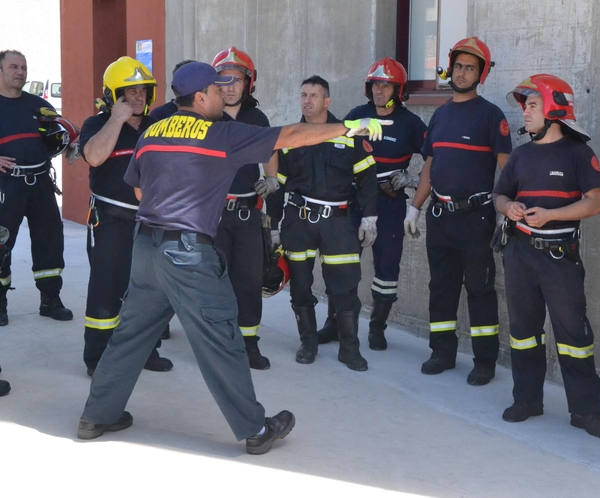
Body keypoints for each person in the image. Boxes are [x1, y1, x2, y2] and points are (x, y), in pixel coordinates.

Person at [77, 62, 389, 453]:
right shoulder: (219, 133)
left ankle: (96, 415)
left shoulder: (152, 130)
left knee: (128, 335)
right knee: (222, 338)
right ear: (199, 96)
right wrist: (348, 128)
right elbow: (290, 135)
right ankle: (256, 430)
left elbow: (140, 193)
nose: (225, 94)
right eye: (217, 88)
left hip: (146, 247)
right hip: (188, 253)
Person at [494, 74, 600, 439]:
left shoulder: (579, 152)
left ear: (554, 109)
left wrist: (551, 215)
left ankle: (586, 412)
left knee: (574, 336)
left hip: (559, 258)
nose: (524, 113)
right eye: (524, 106)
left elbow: (596, 203)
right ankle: (527, 400)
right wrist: (509, 206)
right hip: (519, 254)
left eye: (532, 106)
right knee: (524, 333)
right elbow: (499, 196)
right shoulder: (520, 154)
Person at [404, 37, 512, 385]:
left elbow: (507, 171)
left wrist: (507, 212)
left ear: (481, 74)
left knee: (480, 290)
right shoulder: (440, 114)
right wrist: (414, 208)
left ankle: (484, 361)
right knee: (441, 287)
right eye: (459, 66)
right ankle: (442, 352)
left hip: (476, 218)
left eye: (470, 68)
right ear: (450, 68)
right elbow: (429, 167)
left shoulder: (492, 116)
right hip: (440, 216)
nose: (462, 73)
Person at [315, 57, 426, 351]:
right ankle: (334, 323)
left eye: (386, 86)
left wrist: (412, 178)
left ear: (398, 90)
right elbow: (333, 147)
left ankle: (377, 328)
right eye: (376, 85)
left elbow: (435, 160)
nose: (379, 91)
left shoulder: (411, 123)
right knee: (341, 265)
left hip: (389, 203)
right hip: (353, 202)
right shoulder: (357, 115)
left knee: (387, 269)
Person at [276, 75, 378, 371]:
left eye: (314, 96)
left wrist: (370, 217)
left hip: (339, 222)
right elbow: (277, 182)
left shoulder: (349, 133)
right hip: (298, 220)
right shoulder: (290, 136)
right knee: (301, 286)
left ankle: (350, 349)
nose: (307, 101)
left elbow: (368, 177)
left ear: (327, 101)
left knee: (345, 287)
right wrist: (271, 226)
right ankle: (308, 343)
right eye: (303, 95)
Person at [79, 56, 172, 377]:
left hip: (149, 222)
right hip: (110, 220)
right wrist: (116, 120)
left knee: (147, 290)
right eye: (130, 92)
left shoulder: (155, 128)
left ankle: (145, 350)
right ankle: (98, 356)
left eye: (143, 92)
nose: (138, 98)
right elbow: (92, 156)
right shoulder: (97, 125)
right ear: (113, 95)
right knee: (107, 288)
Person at [0, 50, 74, 326]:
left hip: (41, 182)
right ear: (1, 71)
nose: (20, 72)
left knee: (50, 242)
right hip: (6, 185)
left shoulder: (37, 104)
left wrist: (69, 140)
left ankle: (50, 299)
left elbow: (61, 131)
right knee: (1, 244)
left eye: (23, 67)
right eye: (13, 67)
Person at [211, 47, 274, 370]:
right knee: (214, 279)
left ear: (248, 83)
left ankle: (249, 345)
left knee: (249, 281)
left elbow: (271, 148)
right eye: (224, 79)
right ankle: (219, 344)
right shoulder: (206, 117)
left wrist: (272, 178)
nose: (230, 86)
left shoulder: (256, 118)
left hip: (248, 214)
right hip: (214, 215)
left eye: (237, 79)